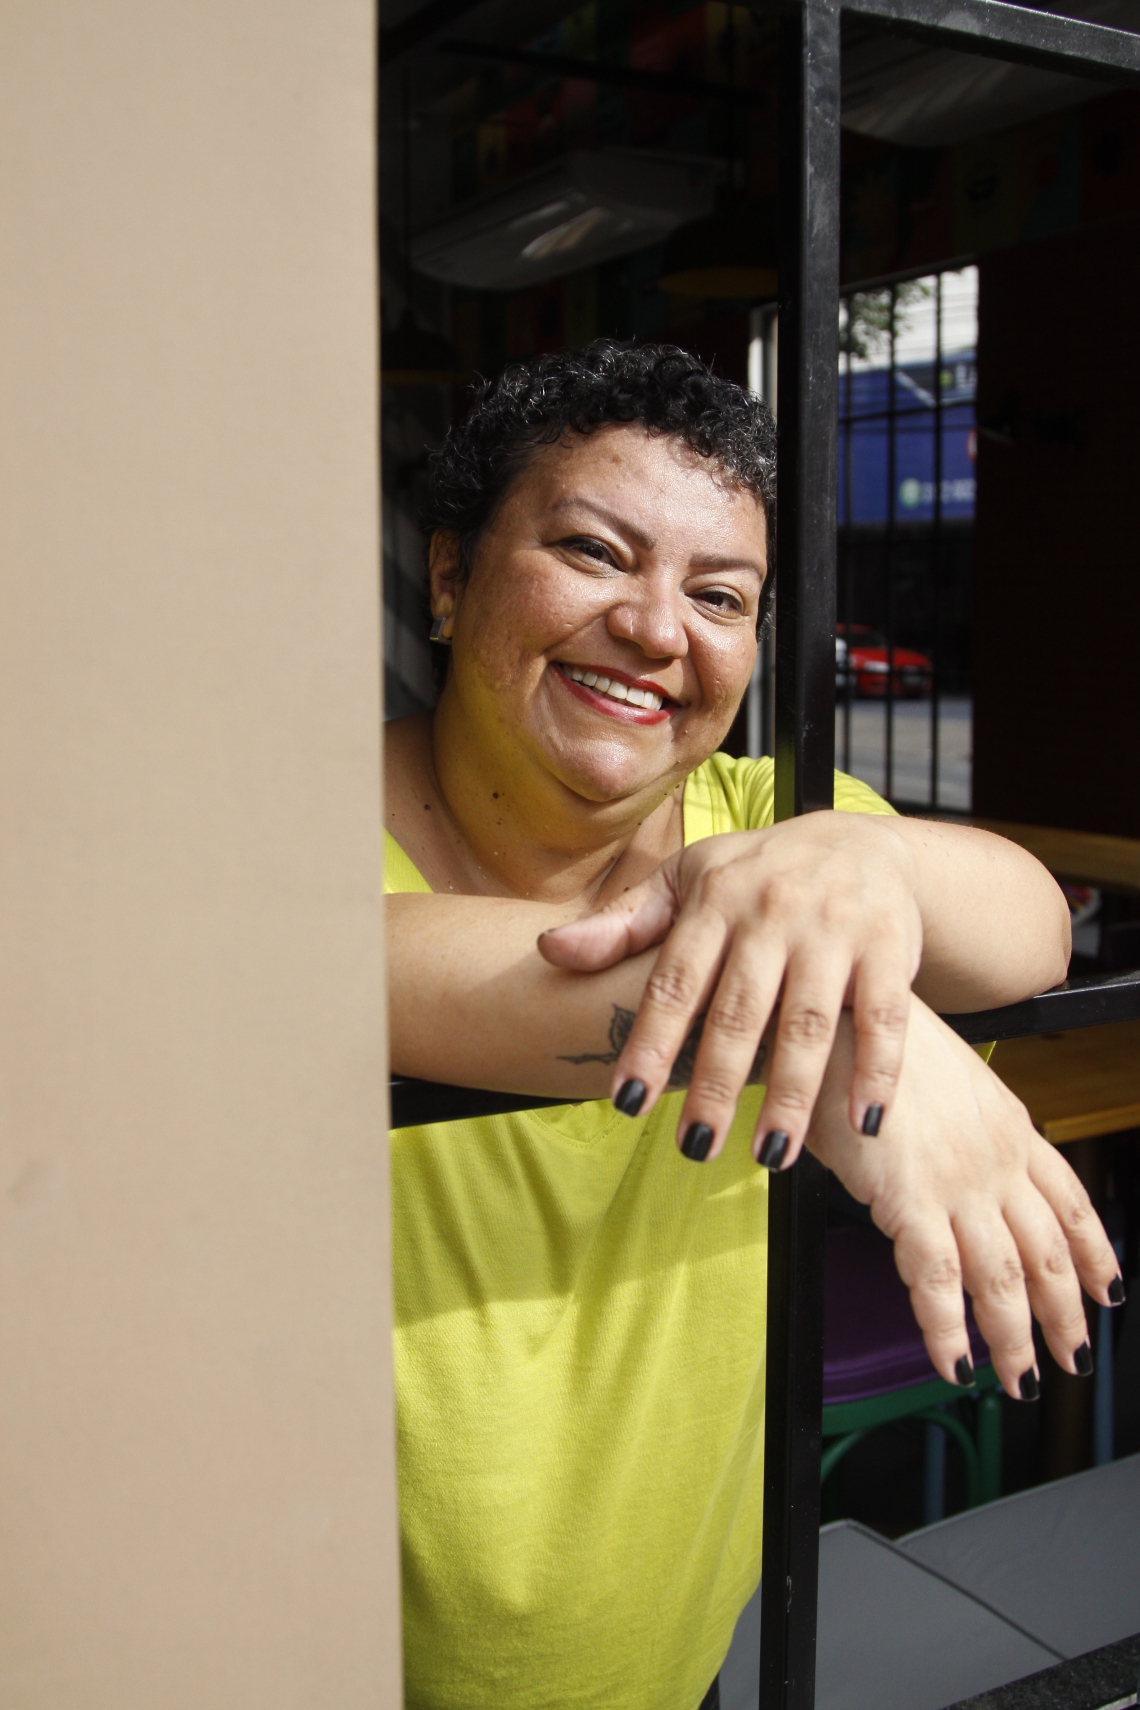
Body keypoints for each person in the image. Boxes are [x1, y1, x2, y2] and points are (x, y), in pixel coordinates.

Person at [385, 340, 1121, 1710]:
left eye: (719, 594)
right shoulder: (301, 834)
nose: (658, 630)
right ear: (447, 575)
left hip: (684, 1659)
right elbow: (346, 966)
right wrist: (834, 1030)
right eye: (594, 553)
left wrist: (864, 855)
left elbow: (1031, 923)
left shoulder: (768, 826)